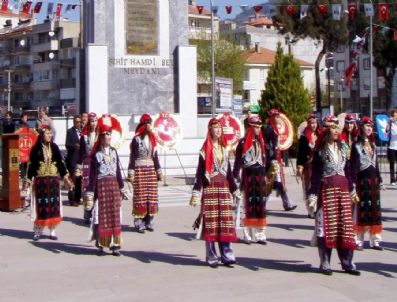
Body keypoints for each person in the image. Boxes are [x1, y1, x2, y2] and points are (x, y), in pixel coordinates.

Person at [308, 115, 360, 276]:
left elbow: (349, 170)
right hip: (327, 191)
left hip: (343, 191)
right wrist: (312, 194)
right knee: (325, 228)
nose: (336, 131)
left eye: (338, 128)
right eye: (333, 128)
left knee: (344, 228)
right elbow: (316, 173)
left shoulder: (344, 147)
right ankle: (325, 262)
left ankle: (347, 263)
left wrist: (352, 189)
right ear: (326, 130)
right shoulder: (320, 150)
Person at [190, 118, 240, 267]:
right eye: (215, 127)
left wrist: (235, 189)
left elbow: (229, 173)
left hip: (224, 189)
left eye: (219, 128)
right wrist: (196, 192)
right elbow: (200, 173)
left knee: (225, 223)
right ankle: (211, 256)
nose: (218, 130)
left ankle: (227, 255)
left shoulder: (224, 149)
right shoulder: (205, 150)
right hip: (211, 188)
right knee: (211, 224)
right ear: (210, 130)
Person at [22, 126, 73, 241]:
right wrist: (27, 181)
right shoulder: (36, 149)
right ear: (42, 135)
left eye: (51, 133)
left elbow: (60, 163)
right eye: (47, 133)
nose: (50, 135)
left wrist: (67, 179)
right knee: (40, 207)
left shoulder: (54, 147)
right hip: (41, 182)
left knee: (53, 207)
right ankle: (37, 230)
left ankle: (52, 230)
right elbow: (31, 166)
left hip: (53, 181)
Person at [85, 124, 128, 256]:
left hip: (113, 187)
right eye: (107, 134)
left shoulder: (114, 151)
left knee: (115, 217)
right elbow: (92, 176)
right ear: (102, 137)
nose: (109, 137)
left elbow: (118, 172)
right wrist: (90, 194)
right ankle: (101, 245)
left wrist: (122, 188)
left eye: (110, 134)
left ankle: (116, 245)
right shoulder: (96, 154)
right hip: (101, 188)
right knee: (101, 217)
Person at [350, 116, 384, 251]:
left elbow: (376, 165)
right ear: (361, 127)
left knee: (375, 211)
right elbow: (353, 166)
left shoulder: (373, 144)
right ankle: (359, 240)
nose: (369, 128)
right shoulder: (356, 145)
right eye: (366, 126)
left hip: (373, 182)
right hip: (362, 181)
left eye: (371, 126)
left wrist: (380, 180)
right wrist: (351, 183)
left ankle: (375, 239)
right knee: (361, 211)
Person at [233, 116, 267, 244]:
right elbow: (237, 163)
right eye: (256, 127)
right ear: (250, 127)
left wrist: (266, 176)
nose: (258, 129)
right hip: (247, 177)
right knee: (246, 207)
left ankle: (260, 234)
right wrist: (234, 179)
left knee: (260, 206)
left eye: (260, 127)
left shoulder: (261, 142)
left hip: (259, 177)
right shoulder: (242, 143)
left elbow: (264, 161)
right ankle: (247, 234)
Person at [128, 114, 162, 233]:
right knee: (140, 196)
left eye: (150, 123)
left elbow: (155, 156)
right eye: (147, 123)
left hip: (151, 170)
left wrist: (158, 170)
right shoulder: (136, 139)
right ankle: (139, 222)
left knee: (151, 196)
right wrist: (131, 172)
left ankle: (149, 221)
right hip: (140, 170)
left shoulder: (153, 138)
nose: (149, 125)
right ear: (143, 124)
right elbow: (132, 157)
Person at [263, 109, 297, 211]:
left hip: (275, 158)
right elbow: (265, 144)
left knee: (277, 183)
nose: (277, 118)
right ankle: (263, 205)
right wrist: (272, 153)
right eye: (275, 116)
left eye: (278, 116)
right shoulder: (269, 129)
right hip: (272, 160)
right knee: (273, 182)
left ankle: (286, 203)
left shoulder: (274, 128)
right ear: (272, 117)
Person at [297, 114, 321, 218]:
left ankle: (318, 207)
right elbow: (300, 153)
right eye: (311, 123)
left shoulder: (320, 135)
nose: (313, 125)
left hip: (318, 165)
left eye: (315, 123)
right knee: (308, 187)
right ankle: (310, 209)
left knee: (318, 187)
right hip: (308, 165)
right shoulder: (304, 137)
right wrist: (299, 165)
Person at [77, 112, 98, 224]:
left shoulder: (101, 135)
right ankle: (87, 213)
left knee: (97, 188)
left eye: (95, 121)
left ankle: (97, 213)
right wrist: (78, 166)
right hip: (87, 163)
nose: (93, 123)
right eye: (91, 121)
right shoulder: (84, 136)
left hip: (98, 164)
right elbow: (81, 153)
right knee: (86, 189)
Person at [65, 115, 82, 206]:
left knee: (79, 180)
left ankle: (78, 198)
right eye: (77, 122)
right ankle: (72, 199)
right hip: (72, 159)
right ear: (74, 122)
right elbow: (67, 144)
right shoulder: (70, 132)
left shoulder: (82, 131)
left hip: (80, 160)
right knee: (73, 180)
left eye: (80, 122)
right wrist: (74, 146)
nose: (78, 124)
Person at [386, 109, 397, 185]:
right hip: (392, 147)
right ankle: (392, 180)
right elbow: (386, 130)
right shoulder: (390, 123)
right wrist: (389, 122)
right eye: (394, 115)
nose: (395, 117)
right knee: (392, 164)